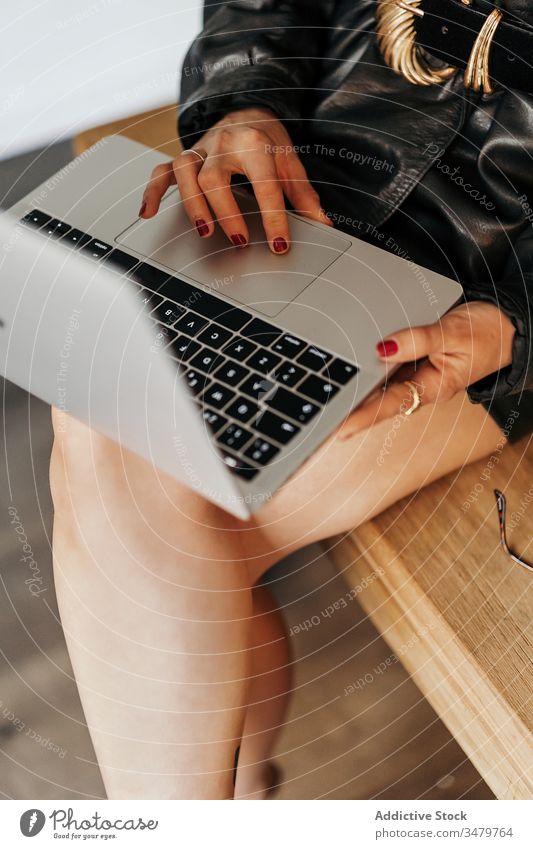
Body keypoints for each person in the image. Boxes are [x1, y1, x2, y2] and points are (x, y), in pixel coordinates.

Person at [50, 0, 533, 799]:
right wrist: (245, 99)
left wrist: (517, 323)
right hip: (299, 200)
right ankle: (232, 801)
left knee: (129, 480)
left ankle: (231, 802)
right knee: (131, 463)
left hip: (480, 290)